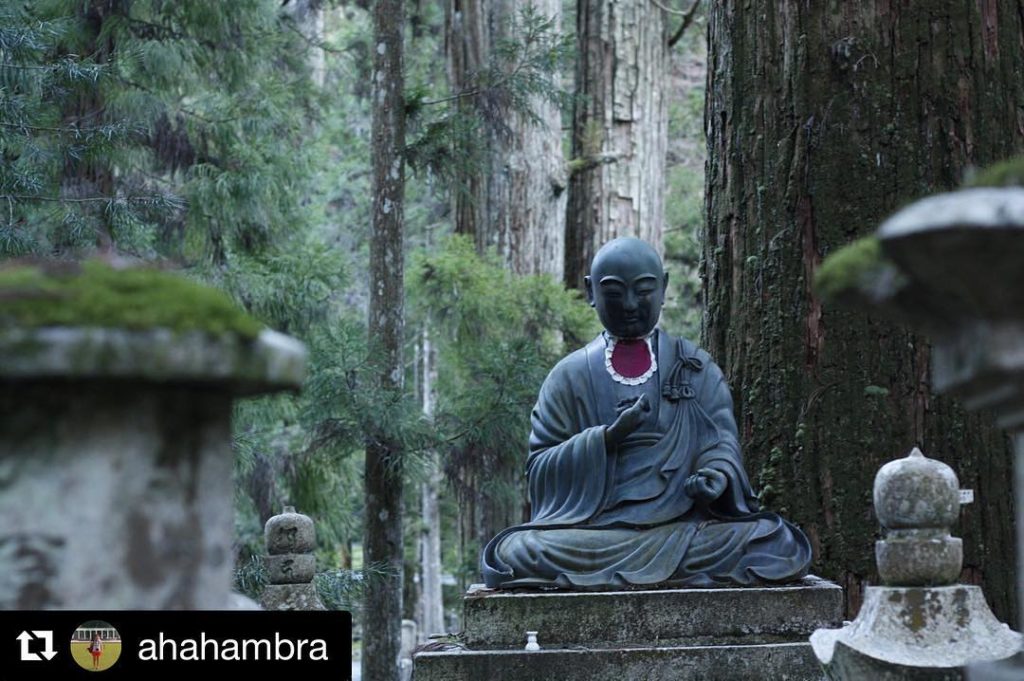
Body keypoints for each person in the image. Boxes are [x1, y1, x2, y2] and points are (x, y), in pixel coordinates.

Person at [481, 237, 812, 589]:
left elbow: (720, 443)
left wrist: (717, 475)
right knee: (515, 552)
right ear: (591, 292)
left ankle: (629, 570)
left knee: (777, 540)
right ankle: (653, 569)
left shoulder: (695, 367)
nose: (629, 304)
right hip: (595, 534)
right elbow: (540, 468)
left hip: (683, 528)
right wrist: (607, 439)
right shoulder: (568, 376)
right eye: (614, 293)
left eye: (643, 291)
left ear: (663, 288)